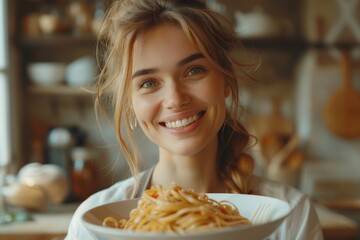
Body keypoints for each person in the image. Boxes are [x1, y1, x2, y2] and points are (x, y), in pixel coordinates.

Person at [65, 0, 323, 239]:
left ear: (225, 82)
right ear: (131, 106)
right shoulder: (95, 223)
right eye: (148, 83)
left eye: (194, 70)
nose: (175, 99)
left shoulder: (289, 216)